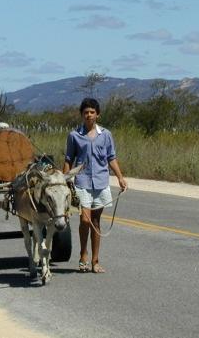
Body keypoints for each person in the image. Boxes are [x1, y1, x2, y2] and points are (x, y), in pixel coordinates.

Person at [63, 98, 127, 274]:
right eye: (86, 112)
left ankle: (95, 261)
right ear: (82, 115)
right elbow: (68, 159)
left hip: (101, 182)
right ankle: (83, 254)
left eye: (92, 112)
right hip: (82, 182)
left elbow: (111, 158)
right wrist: (65, 180)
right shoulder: (74, 135)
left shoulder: (106, 134)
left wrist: (120, 178)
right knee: (85, 220)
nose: (89, 115)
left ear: (97, 114)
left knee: (96, 222)